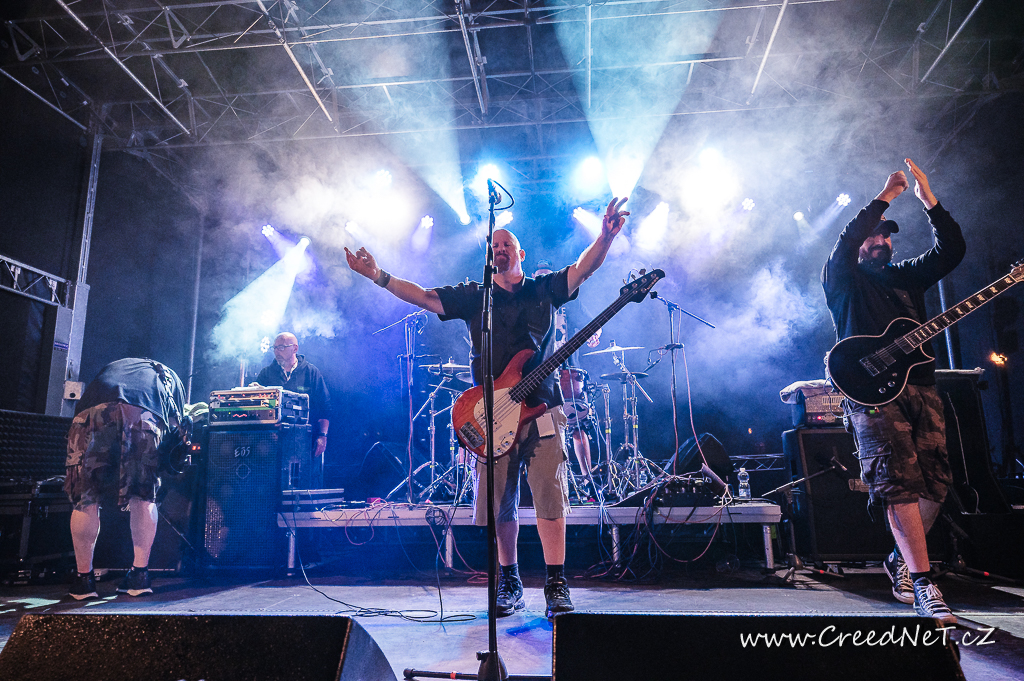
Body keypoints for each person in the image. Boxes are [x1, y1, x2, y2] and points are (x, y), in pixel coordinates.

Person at [345, 198, 629, 619]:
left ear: (520, 253)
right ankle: (509, 579)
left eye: (506, 244)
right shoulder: (476, 297)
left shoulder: (543, 290)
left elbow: (583, 268)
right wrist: (379, 276)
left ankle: (556, 582)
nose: (499, 250)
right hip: (492, 414)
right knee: (499, 504)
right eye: (494, 246)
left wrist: (604, 238)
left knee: (550, 496)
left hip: (543, 410)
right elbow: (424, 296)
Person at [821, 158, 965, 625]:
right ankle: (923, 582)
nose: (879, 241)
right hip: (873, 395)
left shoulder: (905, 276)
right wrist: (886, 196)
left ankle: (902, 558)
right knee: (896, 482)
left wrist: (930, 202)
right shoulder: (843, 279)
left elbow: (952, 250)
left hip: (922, 386)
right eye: (873, 235)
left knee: (937, 483)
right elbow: (846, 241)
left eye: (885, 236)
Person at [65, 358, 188, 599]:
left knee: (86, 498)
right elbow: (178, 427)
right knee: (143, 496)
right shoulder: (169, 378)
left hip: (90, 416)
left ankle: (83, 581)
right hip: (143, 416)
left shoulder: (114, 366)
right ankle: (139, 576)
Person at [255, 332, 332, 459]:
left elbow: (324, 407)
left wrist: (323, 435)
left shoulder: (311, 373)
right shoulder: (266, 373)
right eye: (275, 348)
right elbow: (256, 406)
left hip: (304, 440)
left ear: (295, 348)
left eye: (281, 347)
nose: (277, 352)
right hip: (271, 440)